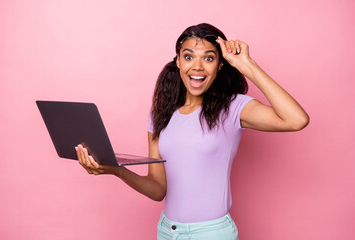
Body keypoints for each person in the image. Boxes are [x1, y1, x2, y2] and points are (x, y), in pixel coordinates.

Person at [75, 23, 309, 240]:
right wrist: (116, 170)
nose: (197, 66)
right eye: (188, 57)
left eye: (208, 58)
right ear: (178, 61)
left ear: (220, 65)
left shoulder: (233, 107)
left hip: (211, 233)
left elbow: (296, 119)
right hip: (167, 231)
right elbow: (157, 189)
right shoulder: (161, 115)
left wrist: (246, 65)